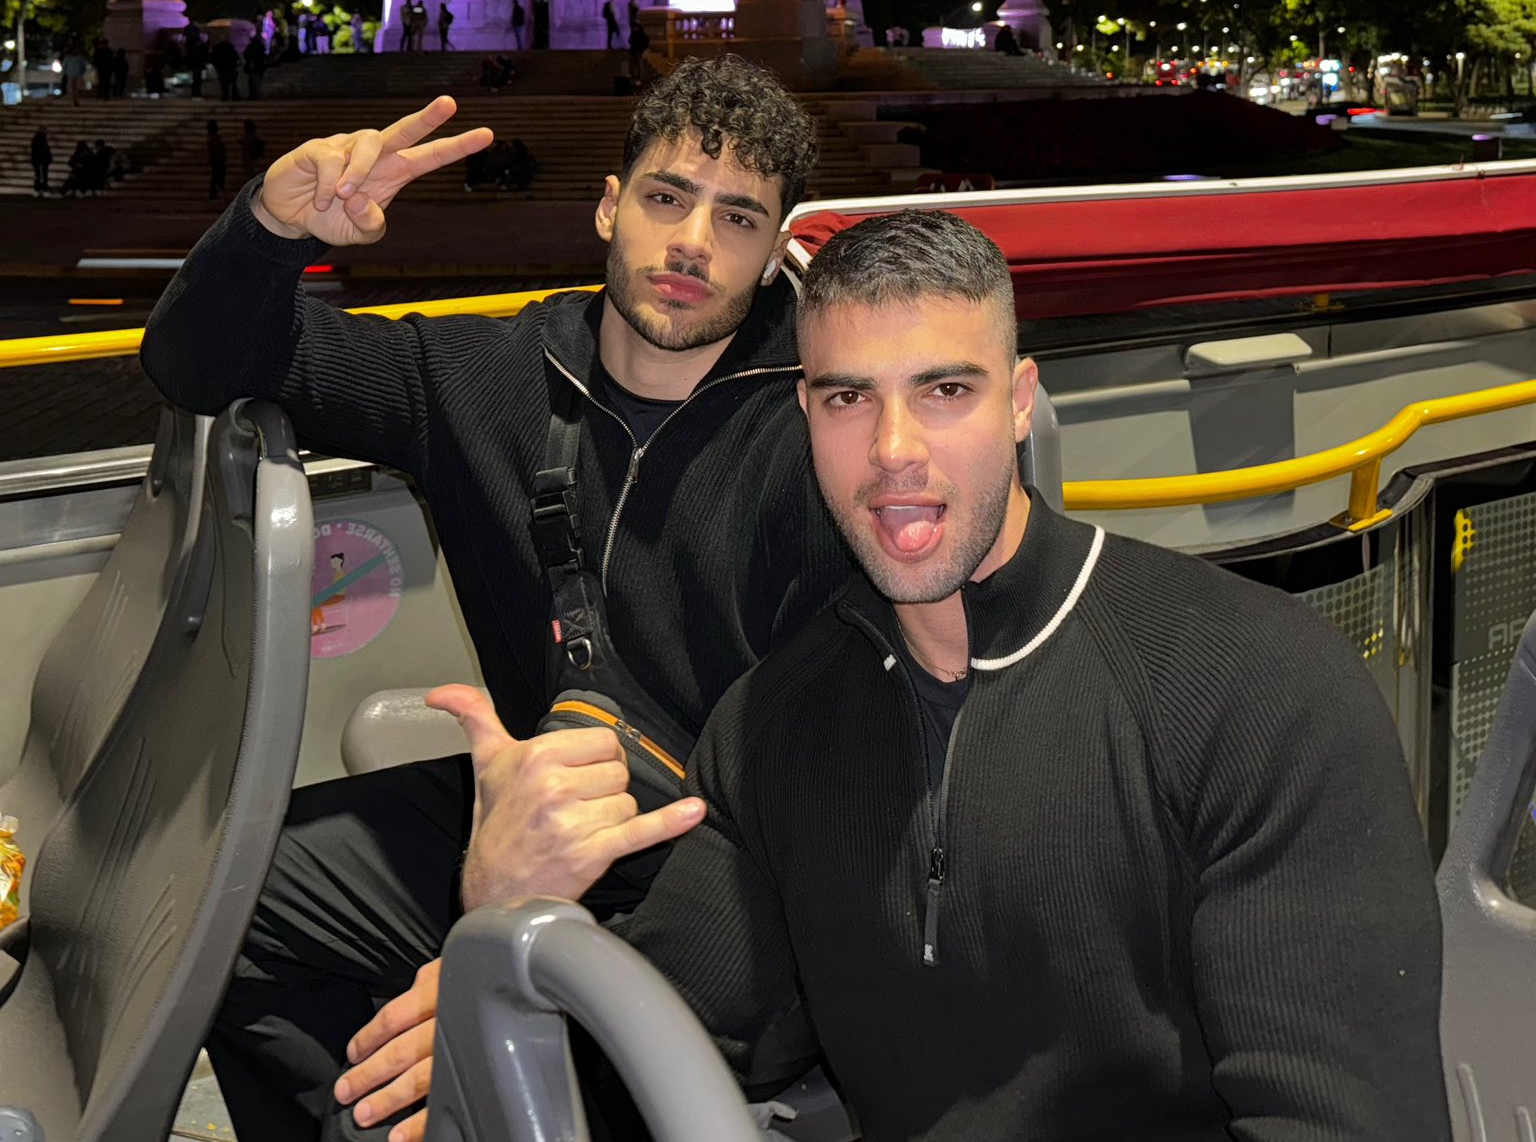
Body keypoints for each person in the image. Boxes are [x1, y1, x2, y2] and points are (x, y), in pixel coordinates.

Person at [436, 210, 1452, 1142]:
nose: (894, 451)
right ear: (805, 413)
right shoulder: (770, 730)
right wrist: (501, 914)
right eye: (848, 397)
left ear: (1020, 403)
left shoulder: (1256, 685)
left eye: (945, 390)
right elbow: (654, 1049)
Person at [138, 58, 847, 1142]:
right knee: (217, 905)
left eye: (738, 217)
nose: (694, 242)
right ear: (609, 206)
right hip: (528, 814)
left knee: (431, 1095)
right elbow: (200, 362)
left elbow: (834, 800)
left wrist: (498, 978)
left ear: (775, 245)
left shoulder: (826, 426)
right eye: (667, 197)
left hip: (730, 866)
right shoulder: (486, 374)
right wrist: (274, 230)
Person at [210, 37, 241, 101]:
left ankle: (225, 96)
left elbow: (212, 58)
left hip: (221, 67)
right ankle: (235, 96)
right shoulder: (230, 47)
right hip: (231, 67)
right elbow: (235, 57)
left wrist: (216, 66)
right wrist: (235, 65)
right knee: (233, 83)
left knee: (223, 83)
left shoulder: (217, 48)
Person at [240, 118, 268, 183]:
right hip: (251, 159)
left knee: (252, 173)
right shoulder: (250, 138)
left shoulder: (249, 139)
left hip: (250, 159)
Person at [206, 120, 227, 201]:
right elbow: (218, 150)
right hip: (217, 160)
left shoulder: (212, 138)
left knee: (215, 177)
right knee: (216, 177)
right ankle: (214, 193)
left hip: (216, 160)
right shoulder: (214, 138)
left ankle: (214, 193)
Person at [243, 33, 268, 100]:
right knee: (257, 82)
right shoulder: (261, 47)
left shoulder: (251, 47)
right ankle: (256, 95)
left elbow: (245, 54)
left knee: (252, 82)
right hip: (259, 67)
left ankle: (253, 95)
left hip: (253, 67)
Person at [29, 126, 50, 195]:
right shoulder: (40, 139)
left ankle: (39, 189)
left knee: (40, 176)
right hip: (41, 161)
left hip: (40, 161)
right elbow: (42, 151)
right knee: (41, 176)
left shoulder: (37, 139)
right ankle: (41, 189)